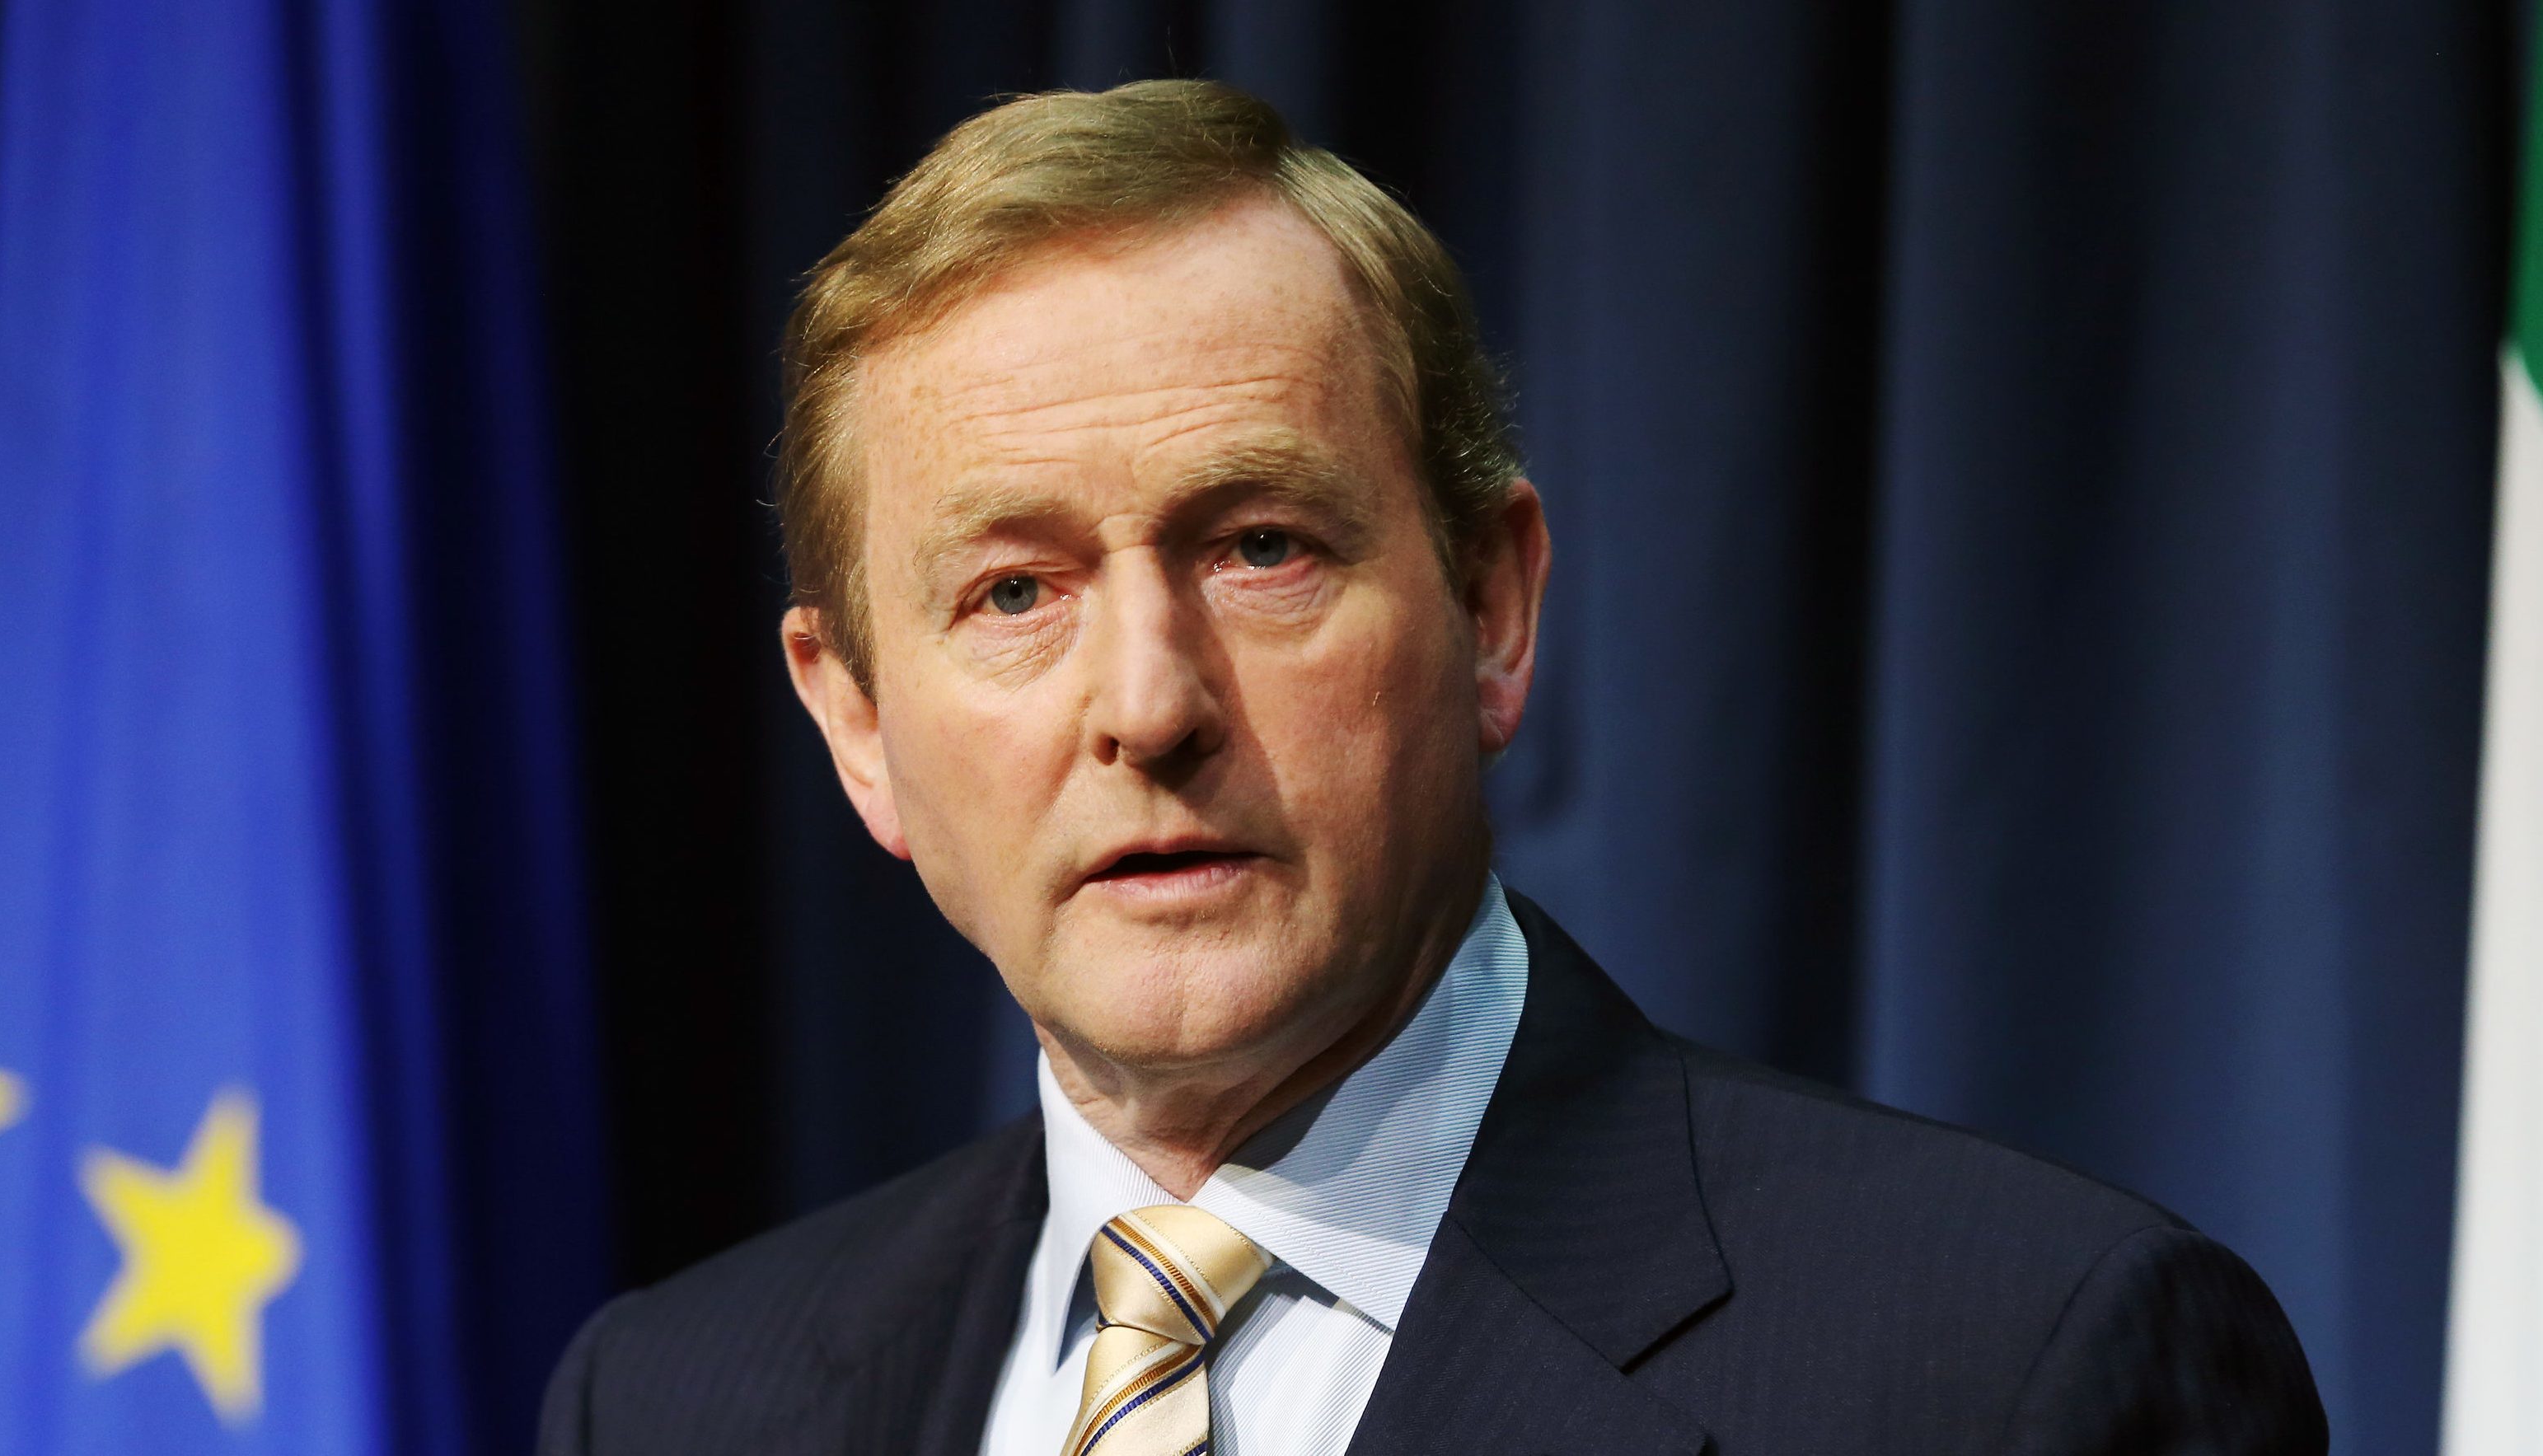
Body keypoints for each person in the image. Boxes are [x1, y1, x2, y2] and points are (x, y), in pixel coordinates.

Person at [537, 79, 2325, 1455]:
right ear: (854, 718)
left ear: (1490, 605)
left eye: (1260, 547)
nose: (1147, 704)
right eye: (1015, 589)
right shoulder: (674, 1398)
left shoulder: (2011, 1363)